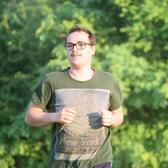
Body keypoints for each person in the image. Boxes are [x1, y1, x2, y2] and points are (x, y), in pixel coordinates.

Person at [25, 26, 124, 168]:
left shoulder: (108, 81)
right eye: (70, 45)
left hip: (100, 162)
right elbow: (30, 117)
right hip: (62, 164)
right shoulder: (52, 80)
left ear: (92, 49)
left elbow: (118, 116)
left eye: (81, 45)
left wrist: (112, 119)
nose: (74, 49)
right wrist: (56, 116)